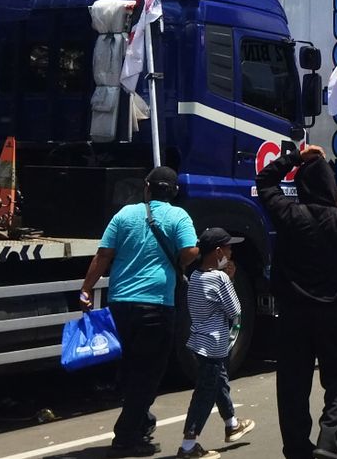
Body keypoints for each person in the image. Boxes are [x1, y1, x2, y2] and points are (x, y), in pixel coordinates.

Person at [256, 145, 337, 459]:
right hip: (334, 311)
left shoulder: (288, 213)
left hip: (293, 313)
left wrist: (295, 157)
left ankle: (297, 448)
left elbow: (265, 181)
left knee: (292, 382)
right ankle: (329, 439)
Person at [80, 167, 199, 458]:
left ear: (146, 187)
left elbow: (103, 254)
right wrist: (179, 262)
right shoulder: (179, 217)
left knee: (132, 367)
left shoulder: (124, 215)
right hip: (156, 305)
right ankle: (126, 436)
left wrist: (86, 289)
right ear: (173, 192)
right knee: (148, 374)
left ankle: (141, 422)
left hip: (120, 303)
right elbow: (191, 251)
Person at [179, 228, 256, 459]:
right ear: (219, 251)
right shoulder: (220, 278)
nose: (231, 252)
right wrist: (230, 280)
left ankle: (232, 424)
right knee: (205, 394)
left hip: (200, 342)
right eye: (229, 248)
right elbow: (235, 309)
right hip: (215, 344)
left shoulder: (194, 276)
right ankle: (188, 445)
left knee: (219, 381)